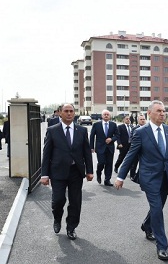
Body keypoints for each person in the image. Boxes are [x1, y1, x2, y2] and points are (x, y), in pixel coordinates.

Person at [115, 100, 168, 261]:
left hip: (166, 177)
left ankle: (146, 226)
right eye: (159, 111)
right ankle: (162, 246)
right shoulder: (141, 132)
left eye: (164, 111)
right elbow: (131, 155)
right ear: (149, 113)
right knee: (157, 209)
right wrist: (120, 177)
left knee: (158, 207)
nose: (163, 113)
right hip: (149, 178)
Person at [40, 103, 93, 240]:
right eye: (66, 111)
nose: (69, 113)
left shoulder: (81, 130)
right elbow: (46, 154)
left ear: (74, 113)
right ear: (60, 113)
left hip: (76, 172)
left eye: (71, 111)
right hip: (58, 172)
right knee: (58, 200)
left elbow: (87, 152)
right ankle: (57, 219)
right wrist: (44, 174)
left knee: (75, 202)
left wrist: (89, 171)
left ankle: (71, 227)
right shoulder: (52, 130)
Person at [90, 110, 119, 186]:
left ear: (110, 116)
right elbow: (92, 136)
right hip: (100, 147)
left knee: (109, 164)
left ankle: (107, 180)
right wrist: (91, 147)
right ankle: (98, 173)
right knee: (101, 162)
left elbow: (117, 135)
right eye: (104, 114)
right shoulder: (96, 125)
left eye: (107, 114)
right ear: (102, 116)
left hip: (110, 147)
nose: (106, 116)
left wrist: (111, 139)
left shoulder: (113, 125)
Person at [129, 114, 146, 180]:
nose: (142, 121)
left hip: (145, 149)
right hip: (136, 149)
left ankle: (141, 176)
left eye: (143, 119)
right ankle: (132, 175)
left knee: (143, 163)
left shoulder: (147, 128)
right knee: (134, 163)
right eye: (141, 119)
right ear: (138, 120)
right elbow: (130, 139)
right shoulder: (134, 129)